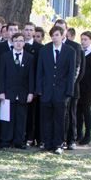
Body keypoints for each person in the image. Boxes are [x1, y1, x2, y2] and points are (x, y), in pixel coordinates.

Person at [35, 26, 75, 154]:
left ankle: (58, 144)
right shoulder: (44, 50)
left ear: (62, 35)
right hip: (46, 90)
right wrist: (39, 89)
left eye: (57, 35)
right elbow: (40, 71)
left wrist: (69, 91)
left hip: (61, 91)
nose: (54, 37)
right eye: (52, 35)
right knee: (46, 118)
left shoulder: (70, 51)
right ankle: (47, 143)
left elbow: (71, 73)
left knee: (59, 119)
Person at [0, 33, 34, 149]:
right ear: (12, 42)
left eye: (21, 41)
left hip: (23, 93)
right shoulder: (5, 56)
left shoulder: (29, 57)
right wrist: (1, 91)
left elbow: (31, 76)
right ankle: (5, 141)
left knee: (21, 118)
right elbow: (1, 75)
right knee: (7, 118)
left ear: (24, 43)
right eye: (16, 41)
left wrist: (30, 92)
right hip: (8, 92)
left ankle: (19, 141)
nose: (19, 43)